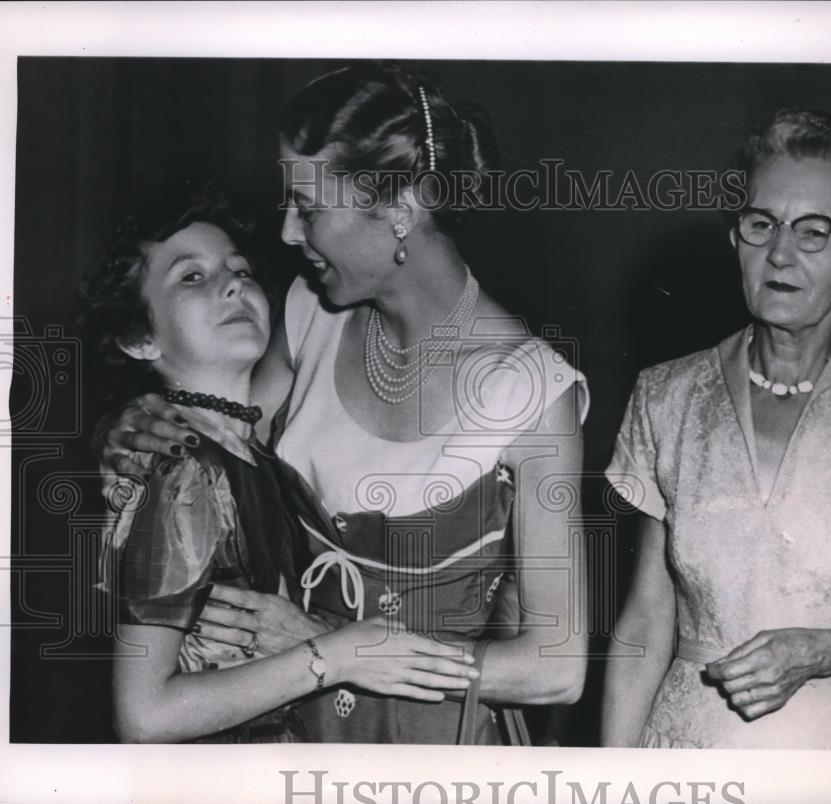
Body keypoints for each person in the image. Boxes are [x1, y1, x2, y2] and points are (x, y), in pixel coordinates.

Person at [99, 64, 589, 744]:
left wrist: (331, 642)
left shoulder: (531, 389)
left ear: (397, 210)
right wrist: (135, 424)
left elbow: (556, 667)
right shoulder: (307, 316)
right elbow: (223, 462)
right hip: (282, 735)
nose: (288, 236)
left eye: (310, 209)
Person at [603, 109, 831, 750]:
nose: (779, 252)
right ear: (736, 240)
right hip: (687, 751)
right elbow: (645, 622)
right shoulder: (666, 396)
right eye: (761, 224)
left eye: (813, 232)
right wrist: (610, 778)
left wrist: (827, 652)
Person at [81, 185, 481, 743]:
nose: (232, 285)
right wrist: (332, 656)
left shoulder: (254, 456)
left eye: (240, 270)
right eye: (191, 277)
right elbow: (145, 716)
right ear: (139, 337)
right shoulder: (185, 470)